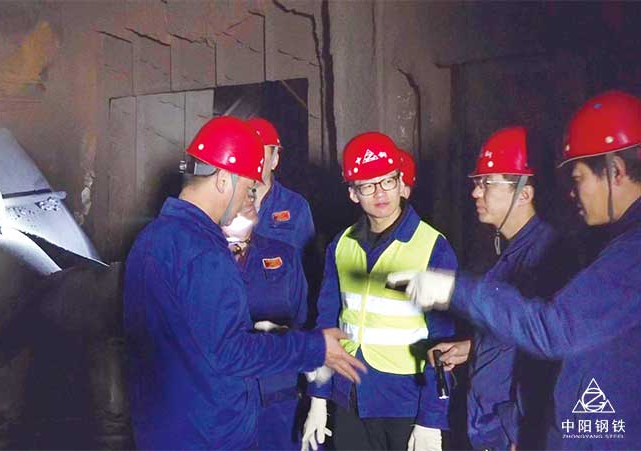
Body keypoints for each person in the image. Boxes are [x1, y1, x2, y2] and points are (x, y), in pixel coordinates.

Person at [391, 90, 641, 450]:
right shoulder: (601, 247)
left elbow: (553, 336)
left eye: (578, 178)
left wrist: (518, 429)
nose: (572, 193)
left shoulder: (590, 255)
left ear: (615, 171)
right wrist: (474, 348)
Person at [123, 116, 366, 450]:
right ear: (224, 179)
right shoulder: (205, 252)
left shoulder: (149, 239)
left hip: (160, 429)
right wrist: (314, 348)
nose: (248, 202)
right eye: (249, 189)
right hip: (210, 433)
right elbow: (229, 352)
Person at [301, 132, 458, 451]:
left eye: (387, 181)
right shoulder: (341, 245)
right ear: (353, 193)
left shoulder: (432, 247)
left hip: (405, 402)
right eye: (368, 185)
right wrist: (318, 396)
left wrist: (432, 419)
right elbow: (327, 326)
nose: (380, 192)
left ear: (401, 182)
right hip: (349, 397)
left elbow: (443, 342)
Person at [427, 126, 561, 450]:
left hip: (510, 434)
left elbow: (554, 357)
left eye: (486, 183)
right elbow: (517, 333)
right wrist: (473, 348)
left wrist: (523, 432)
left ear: (524, 193)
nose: (476, 193)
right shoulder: (514, 251)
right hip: (491, 427)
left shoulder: (544, 259)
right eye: (477, 183)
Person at [221, 191, 310, 450]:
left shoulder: (284, 255)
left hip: (280, 396)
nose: (247, 201)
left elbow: (304, 321)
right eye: (237, 196)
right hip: (224, 399)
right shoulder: (198, 257)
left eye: (250, 195)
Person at [246, 118, 315, 253]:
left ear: (274, 161)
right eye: (246, 155)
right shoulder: (224, 204)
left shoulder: (295, 206)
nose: (251, 164)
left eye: (259, 157)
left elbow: (308, 261)